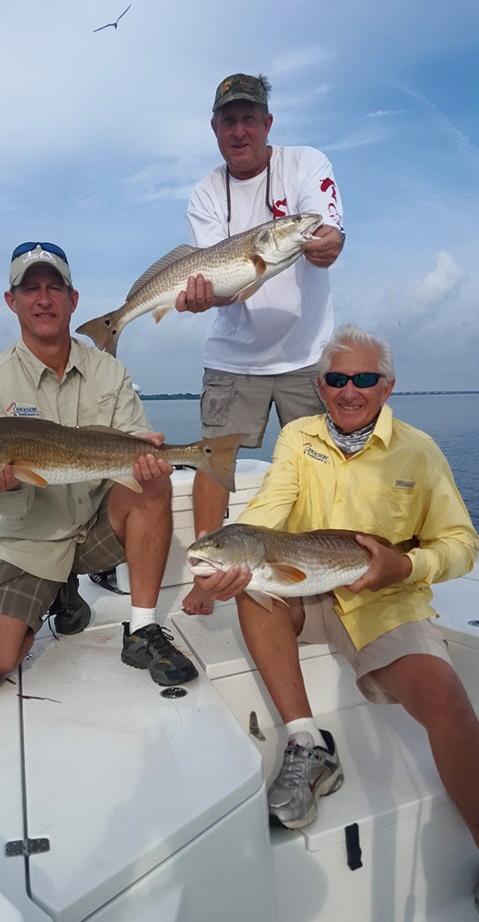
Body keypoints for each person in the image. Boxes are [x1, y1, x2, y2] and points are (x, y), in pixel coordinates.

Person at [194, 323, 479, 850]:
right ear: (321, 386)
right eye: (337, 379)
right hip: (305, 588)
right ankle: (307, 742)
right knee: (256, 588)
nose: (350, 391)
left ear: (387, 387)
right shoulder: (299, 438)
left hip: (386, 598)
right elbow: (269, 509)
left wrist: (405, 568)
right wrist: (235, 553)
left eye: (365, 378)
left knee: (449, 703)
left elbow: (463, 543)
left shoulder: (420, 451)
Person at [0, 242, 198, 693]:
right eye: (30, 289)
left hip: (98, 528)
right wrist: (3, 483)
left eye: (53, 287)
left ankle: (142, 629)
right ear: (12, 301)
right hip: (32, 544)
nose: (43, 299)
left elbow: (135, 442)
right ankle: (55, 594)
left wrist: (148, 453)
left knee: (156, 480)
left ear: (73, 299)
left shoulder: (110, 371)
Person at [177, 72, 345, 615]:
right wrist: (204, 295)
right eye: (230, 119)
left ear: (268, 122)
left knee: (326, 465)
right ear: (215, 128)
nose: (240, 129)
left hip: (307, 355)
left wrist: (328, 243)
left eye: (250, 117)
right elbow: (217, 283)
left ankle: (326, 569)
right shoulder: (206, 193)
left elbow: (326, 230)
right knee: (212, 462)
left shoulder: (305, 164)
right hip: (233, 354)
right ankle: (207, 575)